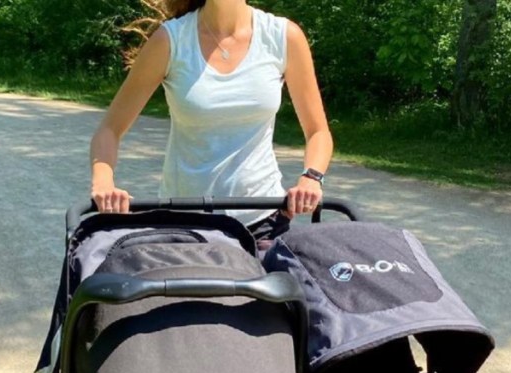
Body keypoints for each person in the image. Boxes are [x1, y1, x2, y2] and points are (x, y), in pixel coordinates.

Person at [89, 0, 333, 239]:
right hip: (184, 223)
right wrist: (103, 183)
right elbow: (109, 129)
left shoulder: (283, 36)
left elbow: (318, 131)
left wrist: (311, 178)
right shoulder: (170, 40)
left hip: (262, 221)